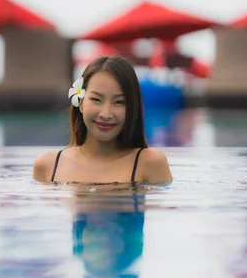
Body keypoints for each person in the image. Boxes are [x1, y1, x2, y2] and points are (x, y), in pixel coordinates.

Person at [33, 55, 173, 184]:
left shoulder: (150, 164)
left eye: (119, 102)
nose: (106, 114)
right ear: (81, 103)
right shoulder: (48, 166)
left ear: (132, 108)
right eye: (96, 99)